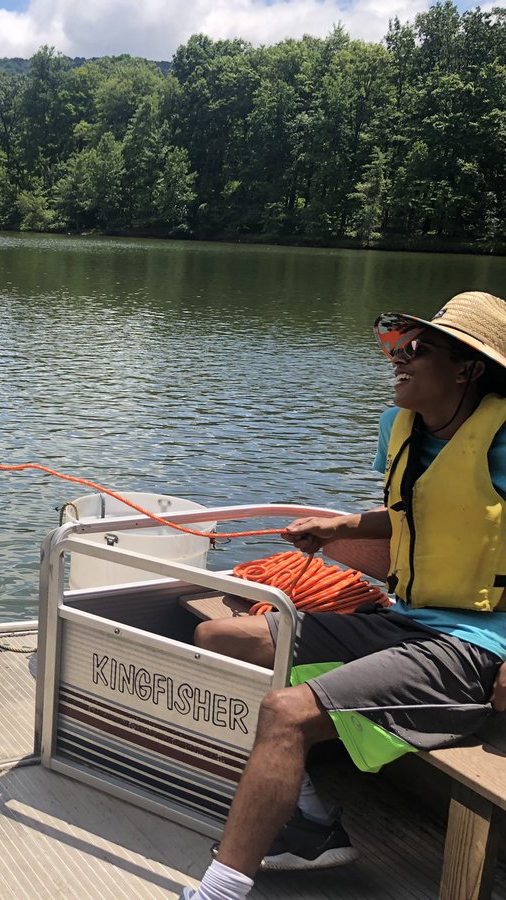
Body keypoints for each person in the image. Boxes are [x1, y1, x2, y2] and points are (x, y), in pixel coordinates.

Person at [182, 292, 506, 900]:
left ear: (468, 368)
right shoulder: (400, 427)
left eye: (420, 349)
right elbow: (427, 509)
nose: (398, 357)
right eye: (398, 345)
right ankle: (307, 822)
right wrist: (346, 527)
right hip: (406, 621)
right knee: (219, 637)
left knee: (286, 713)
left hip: (475, 643)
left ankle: (217, 892)